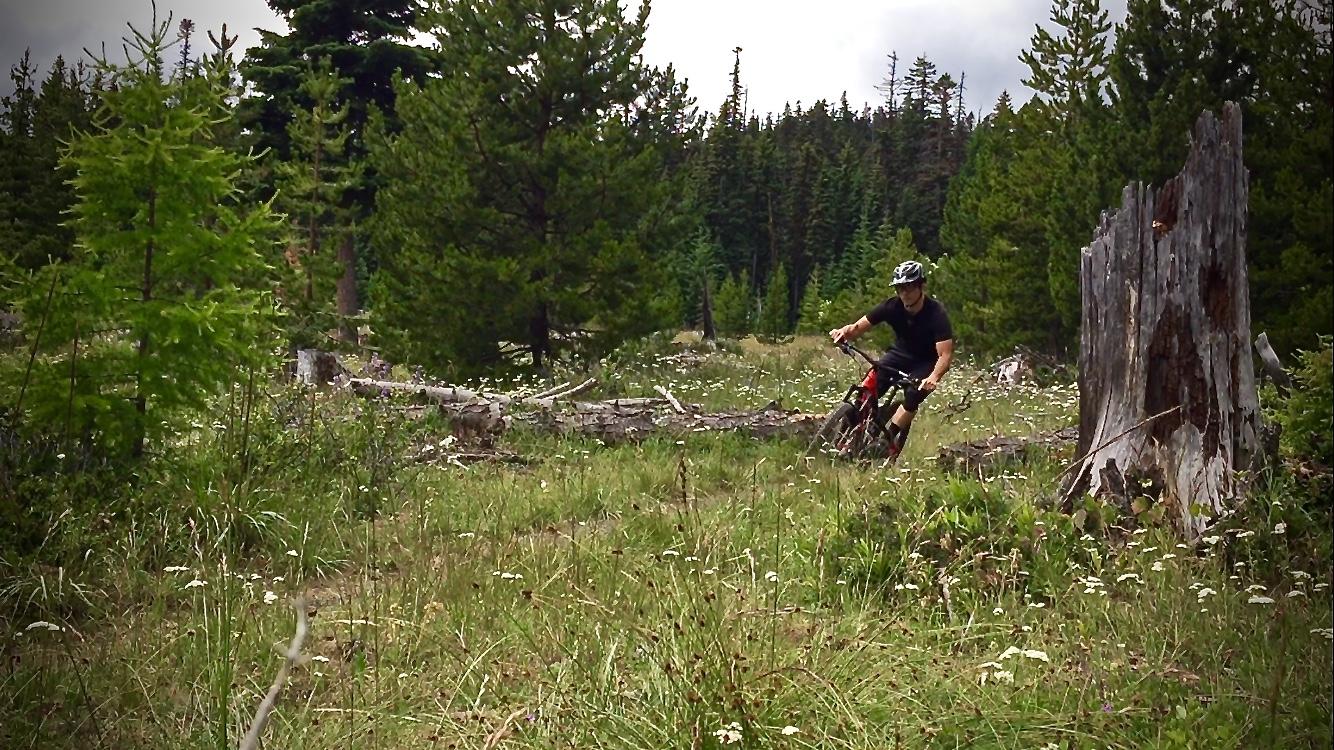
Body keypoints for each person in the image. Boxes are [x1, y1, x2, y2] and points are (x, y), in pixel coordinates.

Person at [827, 260, 954, 458]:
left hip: (926, 362)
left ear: (921, 286)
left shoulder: (936, 314)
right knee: (865, 392)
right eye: (899, 288)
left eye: (909, 287)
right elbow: (857, 327)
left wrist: (934, 377)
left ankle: (887, 441)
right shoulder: (892, 306)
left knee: (913, 395)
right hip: (899, 354)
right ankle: (845, 439)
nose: (904, 293)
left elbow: (944, 355)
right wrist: (843, 333)